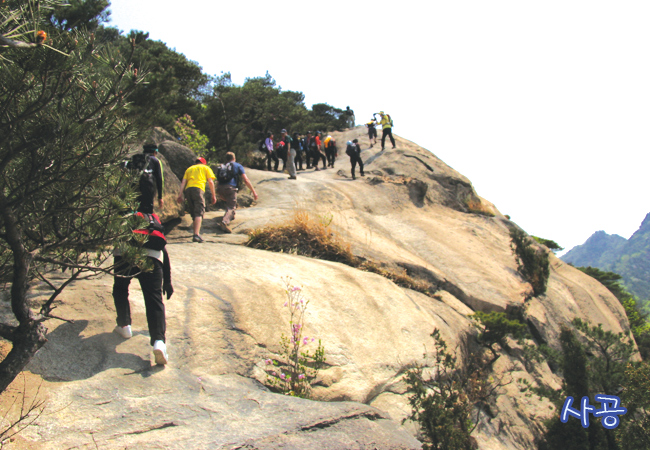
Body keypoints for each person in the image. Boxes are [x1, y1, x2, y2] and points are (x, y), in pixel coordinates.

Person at [112, 211, 173, 365]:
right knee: (154, 298)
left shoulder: (123, 215)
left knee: (120, 289)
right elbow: (163, 248)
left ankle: (124, 325)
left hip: (124, 256)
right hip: (153, 258)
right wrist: (167, 280)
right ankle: (159, 341)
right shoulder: (152, 217)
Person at [216, 152, 258, 233]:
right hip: (230, 188)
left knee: (229, 203)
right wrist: (253, 192)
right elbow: (245, 180)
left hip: (220, 188)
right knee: (231, 206)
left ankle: (231, 216)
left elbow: (217, 180)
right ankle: (224, 222)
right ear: (234, 158)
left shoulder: (222, 166)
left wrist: (217, 192)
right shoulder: (237, 165)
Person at [177, 157, 216, 243]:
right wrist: (214, 195)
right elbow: (210, 182)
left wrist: (180, 194)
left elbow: (183, 182)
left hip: (188, 190)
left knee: (194, 212)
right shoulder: (206, 168)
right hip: (198, 189)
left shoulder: (189, 169)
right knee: (199, 211)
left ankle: (195, 233)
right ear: (204, 163)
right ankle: (196, 235)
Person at [137, 144, 165, 214]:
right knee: (147, 211)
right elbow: (159, 179)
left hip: (135, 188)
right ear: (154, 152)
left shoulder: (136, 158)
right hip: (148, 187)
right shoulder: (155, 160)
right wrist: (160, 197)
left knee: (136, 209)